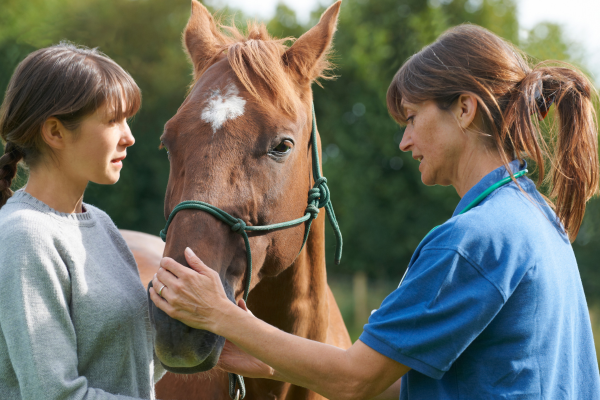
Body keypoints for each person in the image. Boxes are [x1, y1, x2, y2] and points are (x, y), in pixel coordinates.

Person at [149, 24, 600, 399]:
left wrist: (221, 316)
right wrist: (273, 365)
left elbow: (356, 378)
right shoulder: (535, 217)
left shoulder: (472, 242)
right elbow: (396, 377)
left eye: (412, 118)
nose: (404, 142)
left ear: (464, 109)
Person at [0, 43, 164, 399]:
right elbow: (54, 395)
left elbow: (126, 367)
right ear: (55, 132)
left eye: (127, 120)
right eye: (112, 120)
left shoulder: (100, 223)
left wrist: (198, 336)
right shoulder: (26, 237)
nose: (129, 136)